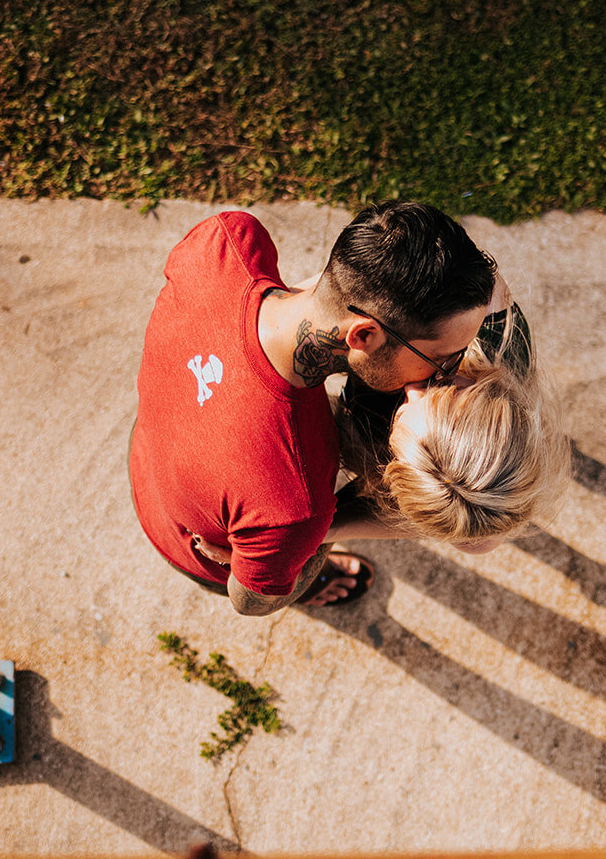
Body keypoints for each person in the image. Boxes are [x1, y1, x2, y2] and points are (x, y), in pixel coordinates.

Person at [129, 201, 496, 616]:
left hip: (149, 445)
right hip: (189, 545)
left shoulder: (225, 240)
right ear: (363, 336)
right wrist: (298, 552)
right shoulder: (294, 505)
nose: (445, 376)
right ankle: (318, 579)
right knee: (291, 566)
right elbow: (249, 602)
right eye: (444, 358)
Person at [332, 294, 568, 552]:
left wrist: (330, 529)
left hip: (360, 426)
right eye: (443, 387)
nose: (412, 389)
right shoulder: (487, 321)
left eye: (400, 417)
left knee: (479, 540)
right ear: (486, 395)